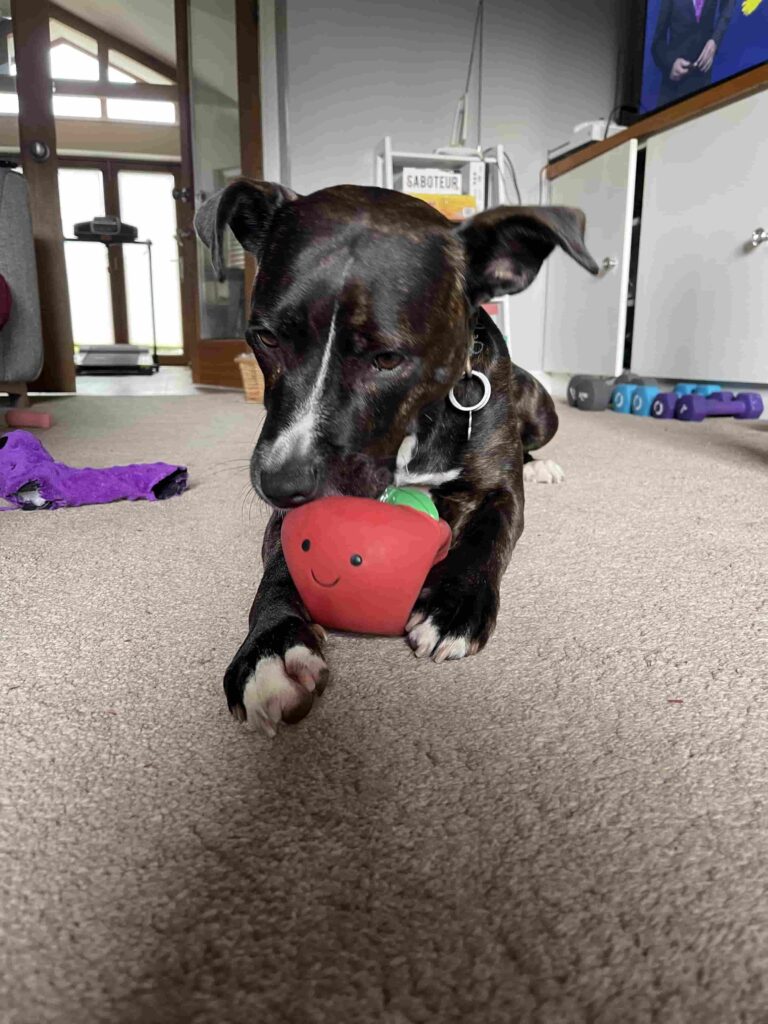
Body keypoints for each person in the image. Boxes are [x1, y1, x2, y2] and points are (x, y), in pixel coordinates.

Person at [651, 0, 735, 106]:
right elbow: (657, 44)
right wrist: (671, 63)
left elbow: (728, 6)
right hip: (673, 92)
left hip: (702, 85)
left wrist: (715, 40)